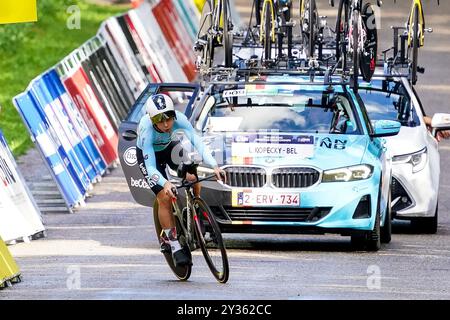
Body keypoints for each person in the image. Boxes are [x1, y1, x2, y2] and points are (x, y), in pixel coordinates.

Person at [136, 93, 226, 267]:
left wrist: (214, 165)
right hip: (149, 157)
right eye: (159, 119)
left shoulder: (180, 120)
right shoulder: (146, 130)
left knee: (192, 174)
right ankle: (174, 244)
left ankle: (196, 209)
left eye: (169, 117)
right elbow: (151, 168)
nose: (165, 124)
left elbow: (197, 142)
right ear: (151, 119)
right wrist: (166, 183)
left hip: (168, 147)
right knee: (164, 196)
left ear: (173, 115)